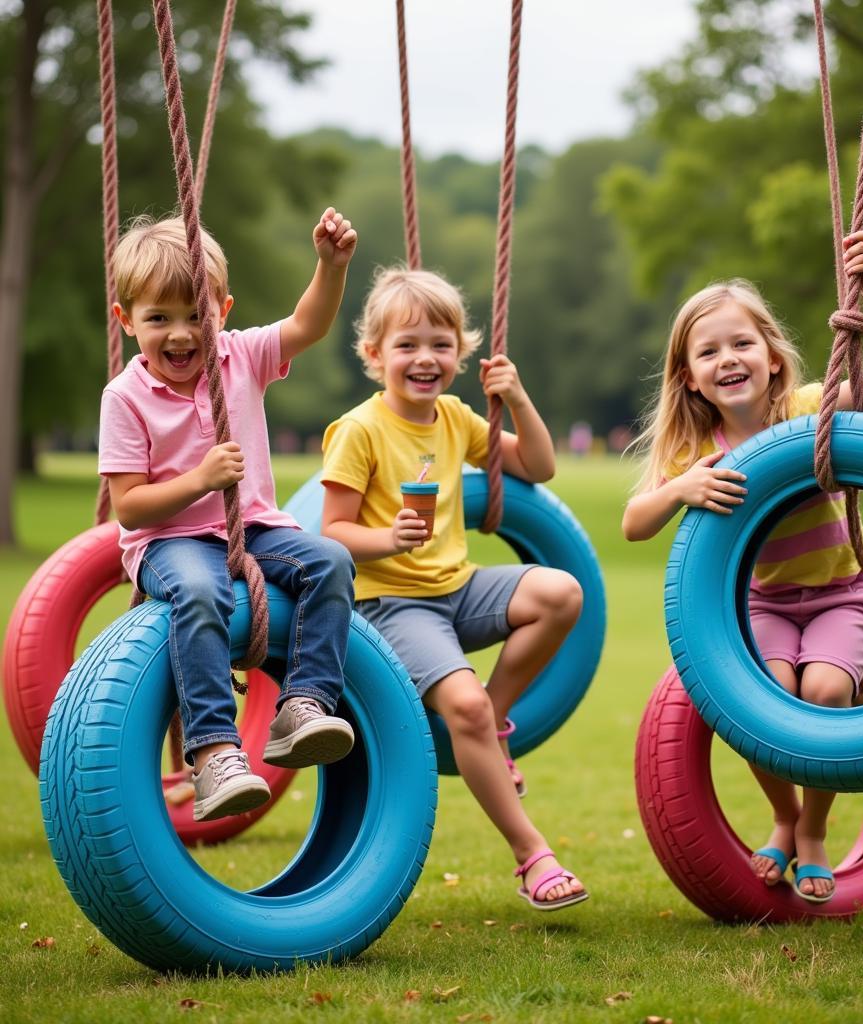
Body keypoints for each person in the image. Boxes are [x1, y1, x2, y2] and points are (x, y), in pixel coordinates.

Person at [622, 231, 863, 903]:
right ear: (689, 375)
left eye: (742, 343)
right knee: (762, 702)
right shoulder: (699, 448)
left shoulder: (809, 410)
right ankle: (782, 816)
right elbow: (635, 524)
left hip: (841, 595)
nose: (729, 358)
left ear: (774, 358)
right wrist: (679, 489)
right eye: (710, 351)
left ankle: (812, 829)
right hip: (764, 606)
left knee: (826, 696)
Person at [320, 266, 588, 911]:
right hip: (391, 604)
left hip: (457, 590)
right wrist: (388, 539)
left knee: (562, 593)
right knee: (460, 708)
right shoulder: (358, 430)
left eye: (440, 344)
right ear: (375, 353)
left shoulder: (455, 417)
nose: (425, 358)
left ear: (460, 354)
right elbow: (330, 532)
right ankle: (533, 856)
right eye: (407, 344)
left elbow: (540, 466)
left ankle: (494, 717)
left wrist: (517, 398)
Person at [99, 209, 359, 822]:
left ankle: (302, 706)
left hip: (255, 529)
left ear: (225, 308)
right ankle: (214, 750)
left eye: (198, 315)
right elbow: (129, 507)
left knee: (331, 561)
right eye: (159, 318)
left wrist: (330, 266)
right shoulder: (125, 397)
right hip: (171, 542)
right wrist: (199, 481)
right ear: (126, 320)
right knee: (199, 590)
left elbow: (307, 325)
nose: (183, 334)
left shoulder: (240, 358)